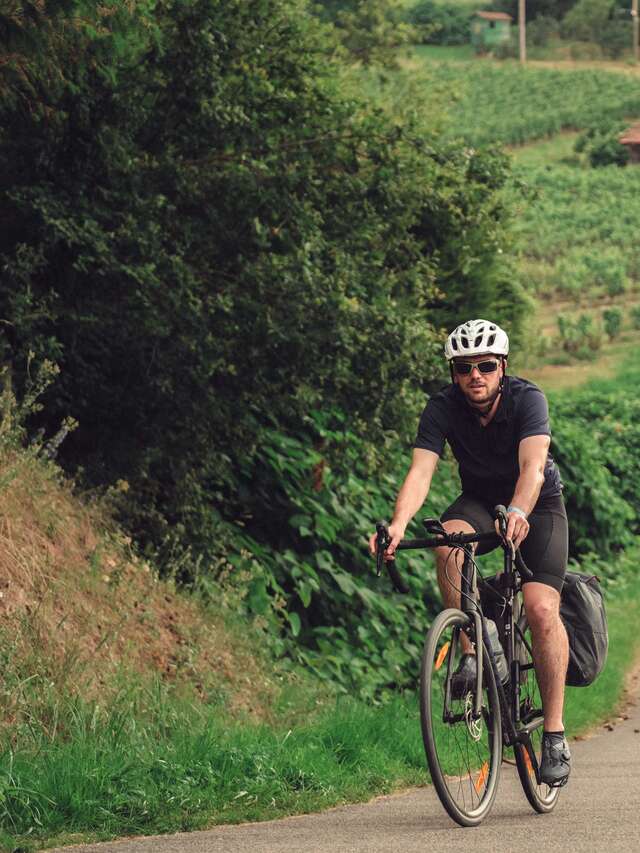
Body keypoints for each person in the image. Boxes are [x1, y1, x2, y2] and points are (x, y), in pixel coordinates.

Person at [368, 318, 571, 787]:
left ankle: (555, 734)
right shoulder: (442, 407)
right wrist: (397, 525)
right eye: (464, 368)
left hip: (536, 505)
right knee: (448, 542)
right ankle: (471, 651)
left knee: (541, 610)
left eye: (484, 365)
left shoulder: (528, 399)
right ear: (454, 373)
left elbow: (533, 468)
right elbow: (422, 472)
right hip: (480, 500)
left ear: (501, 367)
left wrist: (519, 510)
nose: (474, 375)